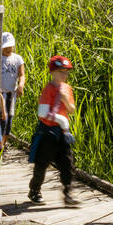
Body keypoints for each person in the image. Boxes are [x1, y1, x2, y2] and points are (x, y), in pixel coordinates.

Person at [28, 55, 79, 207]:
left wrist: (65, 99)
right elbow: (42, 113)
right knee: (42, 163)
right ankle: (35, 190)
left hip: (63, 132)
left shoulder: (67, 89)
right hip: (48, 132)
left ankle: (68, 193)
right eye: (61, 71)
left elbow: (71, 110)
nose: (64, 75)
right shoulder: (48, 90)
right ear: (53, 72)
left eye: (66, 72)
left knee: (67, 162)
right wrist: (60, 120)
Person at [0, 32, 26, 148]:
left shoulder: (17, 59)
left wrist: (21, 85)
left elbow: (22, 74)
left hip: (11, 94)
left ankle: (2, 144)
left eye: (10, 46)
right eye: (5, 46)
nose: (8, 48)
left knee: (8, 121)